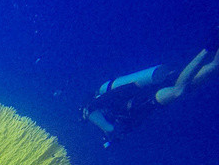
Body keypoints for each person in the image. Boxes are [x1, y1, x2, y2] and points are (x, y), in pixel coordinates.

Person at [82, 29, 219, 147]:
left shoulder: (101, 107)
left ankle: (207, 48)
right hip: (150, 87)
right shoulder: (108, 103)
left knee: (178, 91)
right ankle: (214, 40)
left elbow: (92, 110)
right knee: (213, 67)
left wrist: (110, 132)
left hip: (144, 100)